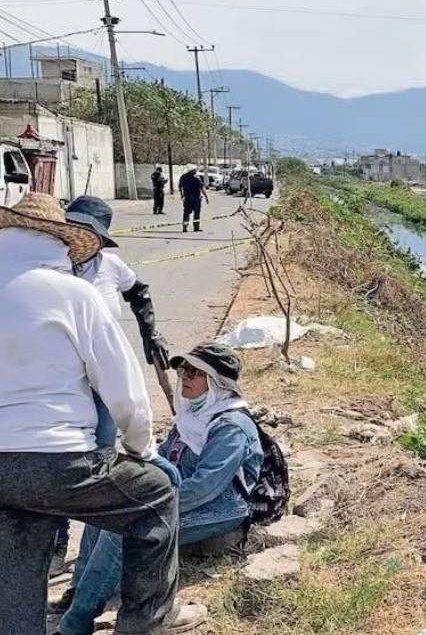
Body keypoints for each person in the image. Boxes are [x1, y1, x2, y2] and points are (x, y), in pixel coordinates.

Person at [0, 192, 203, 634]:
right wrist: (141, 449)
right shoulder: (74, 293)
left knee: (16, 568)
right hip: (61, 459)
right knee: (156, 496)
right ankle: (144, 625)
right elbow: (125, 391)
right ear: (57, 240)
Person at [57, 342, 260, 635]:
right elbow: (164, 459)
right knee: (105, 507)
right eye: (182, 369)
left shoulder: (232, 426)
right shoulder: (192, 414)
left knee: (126, 528)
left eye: (194, 371)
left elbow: (206, 487)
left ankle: (77, 622)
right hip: (177, 495)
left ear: (216, 382)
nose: (184, 376)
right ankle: (79, 593)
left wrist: (153, 505)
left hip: (221, 507)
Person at [41, 195, 172, 577]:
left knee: (99, 457)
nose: (79, 238)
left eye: (88, 232)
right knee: (62, 458)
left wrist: (151, 335)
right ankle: (57, 539)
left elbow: (139, 292)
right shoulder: (50, 268)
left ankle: (90, 554)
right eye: (74, 229)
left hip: (103, 380)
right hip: (63, 381)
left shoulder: (111, 267)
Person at [179, 166, 208, 233]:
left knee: (186, 214)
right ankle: (196, 227)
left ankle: (185, 227)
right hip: (196, 199)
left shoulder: (183, 177)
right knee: (196, 214)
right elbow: (201, 188)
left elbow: (180, 187)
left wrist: (182, 195)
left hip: (187, 199)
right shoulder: (197, 178)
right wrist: (206, 196)